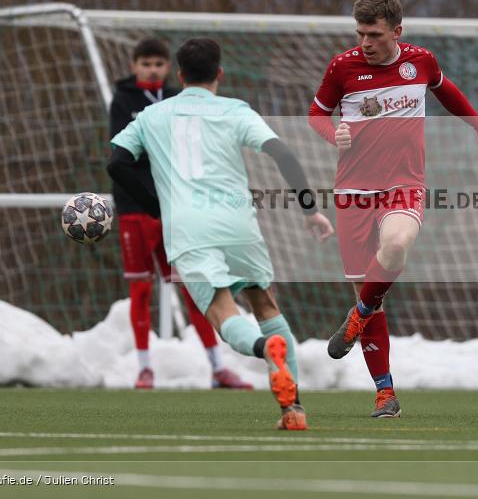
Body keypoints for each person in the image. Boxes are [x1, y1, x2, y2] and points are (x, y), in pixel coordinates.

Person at [109, 37, 333, 430]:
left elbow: (117, 163)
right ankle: (293, 409)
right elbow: (282, 153)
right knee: (265, 306)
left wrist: (156, 206)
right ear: (220, 74)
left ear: (179, 75)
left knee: (221, 311)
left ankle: (265, 349)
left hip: (189, 228)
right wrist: (310, 210)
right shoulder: (235, 110)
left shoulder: (152, 116)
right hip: (238, 224)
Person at [308, 0, 478, 418]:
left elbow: (446, 90)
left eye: (374, 34)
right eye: (360, 33)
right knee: (371, 289)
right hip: (352, 194)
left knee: (396, 247)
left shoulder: (421, 62)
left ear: (397, 31)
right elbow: (316, 114)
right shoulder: (342, 67)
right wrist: (332, 133)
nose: (366, 42)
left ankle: (357, 315)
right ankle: (385, 394)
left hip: (403, 185)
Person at [110, 38, 252, 391]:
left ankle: (218, 367)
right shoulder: (123, 101)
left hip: (176, 211)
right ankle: (144, 368)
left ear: (169, 69)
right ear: (134, 67)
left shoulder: (178, 99)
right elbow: (124, 153)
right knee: (141, 290)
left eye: (159, 64)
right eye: (146, 64)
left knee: (193, 289)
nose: (152, 70)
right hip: (136, 210)